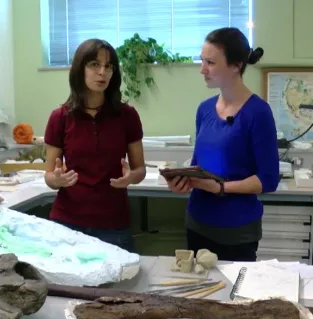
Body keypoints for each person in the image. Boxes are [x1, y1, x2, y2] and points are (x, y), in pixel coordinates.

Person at [166, 27, 280, 262]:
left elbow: (267, 179)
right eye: (202, 60)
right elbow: (198, 165)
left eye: (210, 62)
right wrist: (182, 181)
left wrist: (220, 188)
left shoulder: (258, 113)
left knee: (232, 296)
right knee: (198, 293)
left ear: (236, 65)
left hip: (237, 230)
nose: (202, 69)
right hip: (197, 222)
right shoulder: (204, 109)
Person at [44, 39, 146, 252]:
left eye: (108, 66)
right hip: (67, 223)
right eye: (94, 64)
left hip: (113, 225)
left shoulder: (127, 115)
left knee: (120, 284)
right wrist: (57, 179)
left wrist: (131, 177)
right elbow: (50, 177)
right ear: (80, 69)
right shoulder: (60, 117)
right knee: (66, 285)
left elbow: (140, 169)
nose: (102, 72)